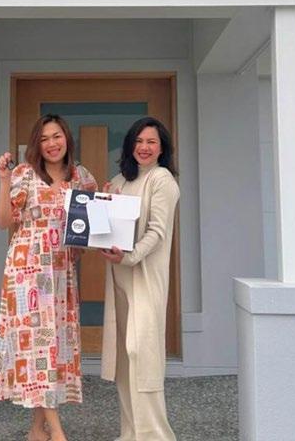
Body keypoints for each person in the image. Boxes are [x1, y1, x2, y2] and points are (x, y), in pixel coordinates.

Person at [0, 114, 97, 441]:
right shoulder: (24, 174)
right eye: (44, 139)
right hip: (27, 270)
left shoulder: (81, 177)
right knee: (37, 346)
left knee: (51, 347)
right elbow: (3, 221)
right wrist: (3, 181)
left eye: (57, 136)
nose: (52, 144)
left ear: (67, 137)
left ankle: (37, 430)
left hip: (61, 271)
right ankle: (58, 432)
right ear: (36, 145)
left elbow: (93, 221)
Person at [100, 116, 180, 441]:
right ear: (130, 145)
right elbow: (108, 229)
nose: (144, 147)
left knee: (141, 353)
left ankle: (155, 436)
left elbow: (157, 232)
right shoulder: (119, 181)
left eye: (151, 142)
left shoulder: (162, 180)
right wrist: (101, 204)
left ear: (162, 149)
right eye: (139, 141)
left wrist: (129, 257)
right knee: (124, 357)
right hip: (119, 279)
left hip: (145, 277)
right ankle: (130, 433)